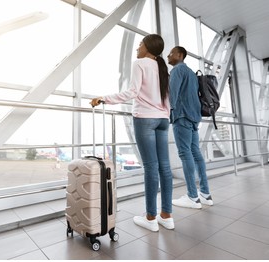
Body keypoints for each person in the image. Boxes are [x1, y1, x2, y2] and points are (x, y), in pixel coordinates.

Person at [91, 34, 174, 232]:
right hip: (163, 119)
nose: (137, 48)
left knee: (151, 167)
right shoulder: (162, 67)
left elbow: (133, 92)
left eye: (139, 45)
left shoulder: (140, 63)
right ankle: (167, 216)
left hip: (145, 118)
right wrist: (165, 114)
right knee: (165, 167)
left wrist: (104, 98)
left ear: (147, 47)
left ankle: (150, 217)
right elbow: (168, 97)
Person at [167, 46, 214, 209]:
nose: (168, 55)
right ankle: (205, 194)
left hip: (182, 116)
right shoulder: (192, 73)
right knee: (196, 153)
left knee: (185, 153)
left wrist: (169, 114)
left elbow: (172, 94)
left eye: (171, 53)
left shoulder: (177, 71)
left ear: (180, 55)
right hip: (194, 117)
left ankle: (192, 196)